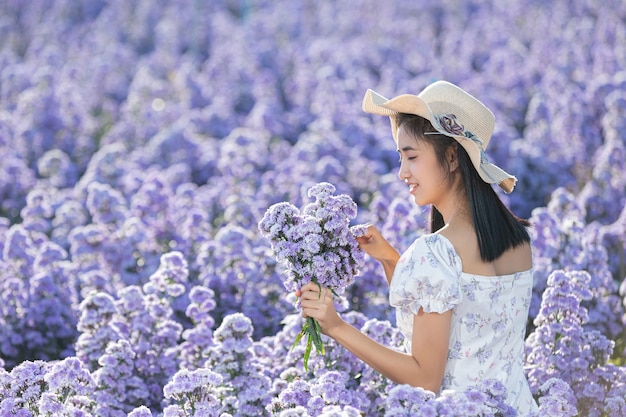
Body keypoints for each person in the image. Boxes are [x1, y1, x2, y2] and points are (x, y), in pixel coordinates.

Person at [297, 80, 539, 414]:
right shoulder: (521, 240)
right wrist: (392, 261)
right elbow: (466, 311)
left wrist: (335, 327)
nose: (401, 173)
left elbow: (426, 380)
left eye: (411, 157)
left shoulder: (434, 254)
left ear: (452, 157)